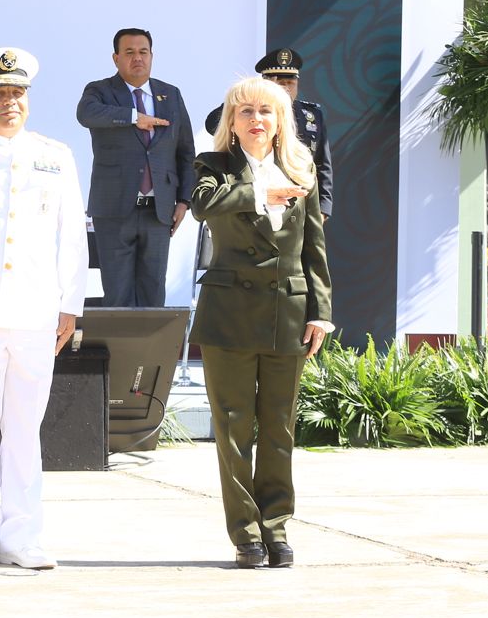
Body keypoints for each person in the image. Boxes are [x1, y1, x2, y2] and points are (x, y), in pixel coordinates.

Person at [0, 47, 88, 572]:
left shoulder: (55, 155)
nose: (10, 102)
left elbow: (71, 235)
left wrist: (70, 305)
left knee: (26, 430)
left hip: (36, 312)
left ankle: (22, 537)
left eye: (18, 93)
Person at [190, 77, 332, 569]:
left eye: (266, 111)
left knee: (278, 429)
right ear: (232, 121)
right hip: (228, 316)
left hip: (286, 313)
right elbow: (203, 206)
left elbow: (314, 246)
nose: (256, 119)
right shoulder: (213, 166)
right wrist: (260, 192)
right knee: (233, 431)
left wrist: (321, 312)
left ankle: (277, 527)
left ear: (279, 121)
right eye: (245, 111)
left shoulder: (300, 167)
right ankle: (246, 534)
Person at [76, 28, 194, 307]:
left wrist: (184, 200)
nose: (137, 58)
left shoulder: (170, 94)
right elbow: (85, 114)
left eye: (143, 52)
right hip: (114, 211)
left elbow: (186, 152)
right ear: (116, 58)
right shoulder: (100, 91)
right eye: (129, 52)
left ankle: (151, 341)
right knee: (118, 295)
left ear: (152, 56)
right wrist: (133, 117)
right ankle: (117, 341)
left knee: (153, 294)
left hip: (158, 211)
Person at [204, 48, 334, 219]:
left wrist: (323, 210)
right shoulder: (251, 114)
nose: (285, 89)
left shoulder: (311, 115)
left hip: (297, 204)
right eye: (279, 84)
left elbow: (322, 164)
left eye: (290, 83)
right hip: (252, 198)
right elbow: (213, 124)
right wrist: (250, 96)